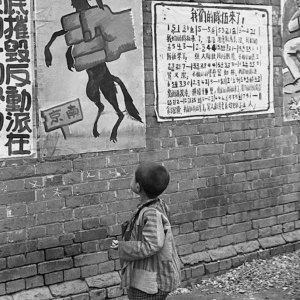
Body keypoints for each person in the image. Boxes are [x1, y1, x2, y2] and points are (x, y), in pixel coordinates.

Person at [111, 162, 181, 300]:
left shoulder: (151, 213)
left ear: (138, 186)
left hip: (150, 284)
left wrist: (123, 247)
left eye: (133, 177)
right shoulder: (157, 205)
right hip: (149, 278)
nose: (131, 178)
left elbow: (152, 245)